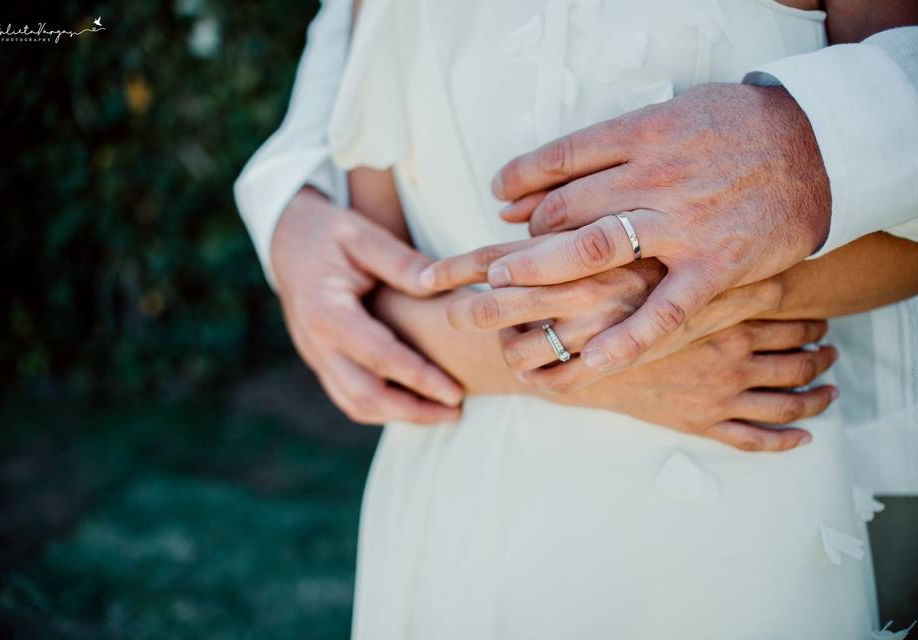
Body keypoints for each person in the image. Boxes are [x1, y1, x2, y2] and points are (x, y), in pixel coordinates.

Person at [235, 0, 918, 636]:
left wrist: (697, 298)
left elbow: (895, 209)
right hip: (458, 503)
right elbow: (381, 262)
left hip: (728, 522)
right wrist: (580, 359)